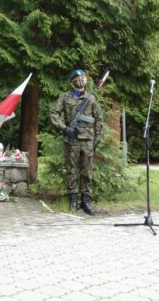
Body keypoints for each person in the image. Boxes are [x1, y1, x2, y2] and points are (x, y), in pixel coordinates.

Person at [49, 69, 103, 215]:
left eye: (83, 77)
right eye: (78, 77)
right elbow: (53, 113)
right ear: (72, 81)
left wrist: (97, 138)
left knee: (87, 171)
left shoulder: (91, 98)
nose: (81, 80)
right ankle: (73, 199)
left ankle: (86, 201)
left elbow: (98, 119)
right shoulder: (65, 98)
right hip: (72, 140)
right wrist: (65, 128)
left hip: (88, 140)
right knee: (71, 170)